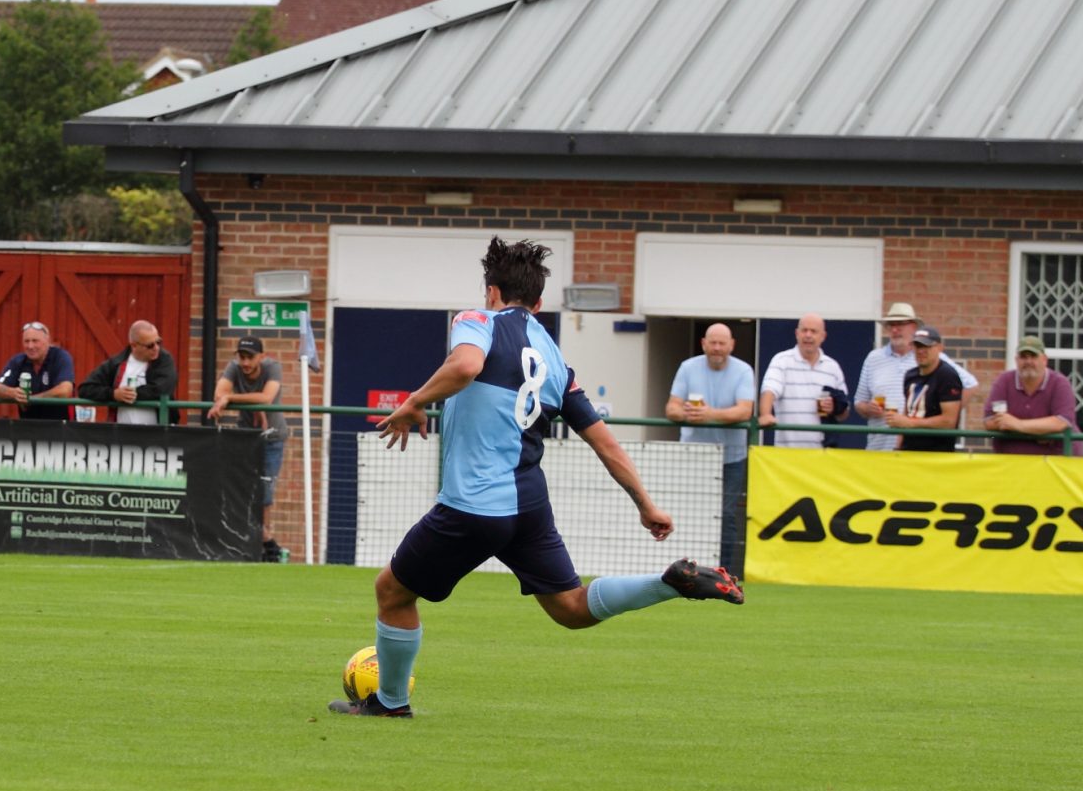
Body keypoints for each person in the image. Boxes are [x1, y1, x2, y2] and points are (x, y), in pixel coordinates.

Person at [331, 237, 742, 719]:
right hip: (528, 505)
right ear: (540, 303)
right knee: (571, 608)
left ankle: (390, 703)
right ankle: (669, 583)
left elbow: (466, 365)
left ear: (491, 292)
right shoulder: (554, 360)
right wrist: (646, 504)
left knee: (392, 591)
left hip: (475, 503)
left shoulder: (478, 320)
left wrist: (414, 401)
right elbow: (605, 442)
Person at [666, 322, 756, 577]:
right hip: (694, 456)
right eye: (713, 343)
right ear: (704, 344)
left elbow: (744, 411)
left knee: (726, 516)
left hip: (732, 457)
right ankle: (686, 571)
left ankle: (724, 572)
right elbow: (671, 408)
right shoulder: (688, 367)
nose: (717, 348)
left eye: (722, 343)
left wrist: (709, 415)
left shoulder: (743, 370)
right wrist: (687, 413)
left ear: (731, 345)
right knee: (690, 511)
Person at [856, 302, 975, 452]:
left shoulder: (936, 360)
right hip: (881, 446)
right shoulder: (874, 358)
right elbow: (859, 402)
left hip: (928, 450)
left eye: (900, 324)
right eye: (891, 325)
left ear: (914, 326)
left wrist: (941, 410)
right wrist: (869, 408)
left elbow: (971, 385)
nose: (895, 329)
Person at [209, 335, 288, 560]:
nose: (245, 362)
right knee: (241, 488)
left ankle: (263, 541)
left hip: (272, 437)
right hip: (245, 436)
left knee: (265, 491)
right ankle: (263, 541)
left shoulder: (273, 367)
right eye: (241, 357)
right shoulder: (233, 367)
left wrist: (230, 398)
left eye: (250, 358)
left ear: (261, 357)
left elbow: (267, 397)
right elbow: (218, 394)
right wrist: (229, 399)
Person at [756, 314, 850, 448]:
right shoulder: (781, 361)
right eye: (804, 330)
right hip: (788, 452)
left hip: (823, 454)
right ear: (797, 334)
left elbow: (844, 412)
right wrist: (765, 414)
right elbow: (769, 390)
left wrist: (835, 408)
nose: (808, 335)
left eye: (813, 331)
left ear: (823, 336)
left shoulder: (833, 367)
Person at [983, 337, 1079, 456]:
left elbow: (1062, 422)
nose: (1028, 362)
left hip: (1055, 460)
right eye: (1023, 357)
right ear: (1016, 360)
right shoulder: (1004, 381)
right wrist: (1041, 430)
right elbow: (990, 421)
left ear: (1044, 360)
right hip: (1012, 459)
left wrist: (1017, 424)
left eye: (1033, 356)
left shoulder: (1059, 383)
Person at [884, 327, 967, 452]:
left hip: (935, 455)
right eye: (917, 346)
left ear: (939, 348)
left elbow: (949, 421)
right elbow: (908, 412)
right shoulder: (910, 375)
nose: (921, 351)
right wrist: (898, 446)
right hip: (908, 451)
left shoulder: (947, 375)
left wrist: (910, 423)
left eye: (926, 346)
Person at [78, 322, 177, 424]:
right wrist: (113, 394)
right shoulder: (116, 363)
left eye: (158, 342)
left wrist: (131, 394)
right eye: (150, 345)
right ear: (134, 345)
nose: (156, 348)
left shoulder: (165, 360)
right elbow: (85, 389)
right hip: (121, 431)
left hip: (157, 431)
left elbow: (163, 389)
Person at [0, 321, 76, 420]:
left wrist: (32, 399)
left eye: (35, 341)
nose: (30, 346)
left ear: (47, 341)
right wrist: (12, 392)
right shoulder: (18, 361)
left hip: (60, 425)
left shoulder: (60, 357)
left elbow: (65, 390)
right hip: (28, 425)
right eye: (26, 341)